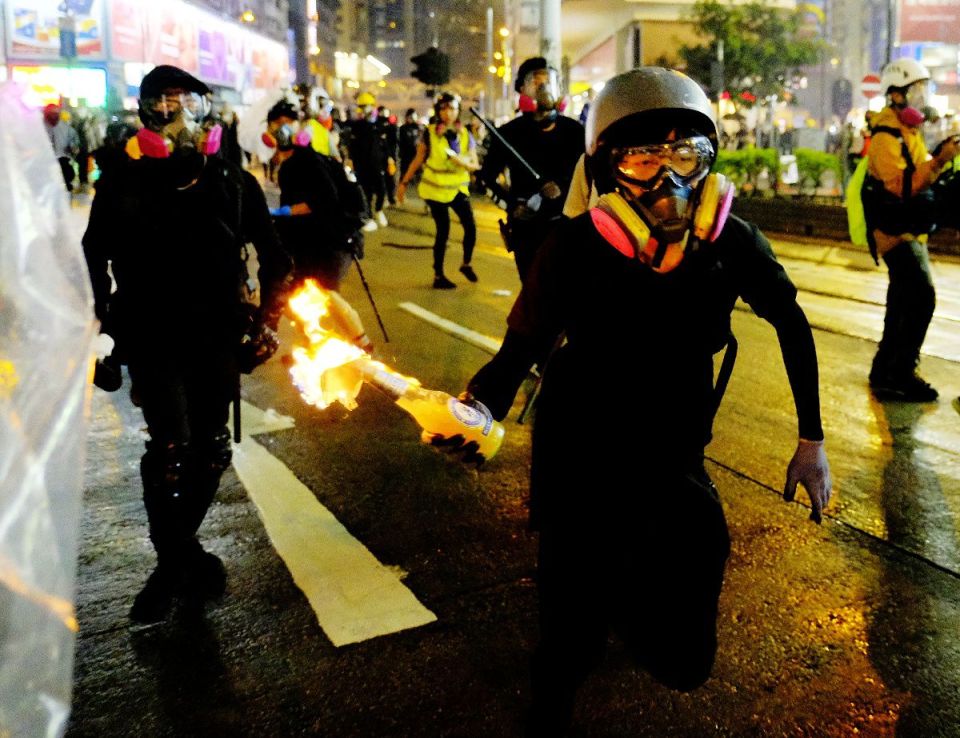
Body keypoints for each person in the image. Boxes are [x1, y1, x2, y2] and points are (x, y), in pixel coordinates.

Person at [455, 67, 833, 734]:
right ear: (606, 171)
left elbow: (792, 322)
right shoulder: (572, 249)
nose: (669, 181)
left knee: (685, 657)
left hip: (673, 453)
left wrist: (812, 441)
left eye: (685, 155)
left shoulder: (731, 243)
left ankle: (623, 606)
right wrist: (476, 407)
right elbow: (518, 353)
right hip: (580, 455)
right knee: (570, 634)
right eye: (643, 159)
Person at [82, 65, 293, 624]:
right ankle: (175, 563)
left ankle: (175, 560)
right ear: (145, 115)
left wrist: (267, 322)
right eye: (164, 104)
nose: (178, 118)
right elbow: (91, 257)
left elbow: (276, 258)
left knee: (211, 450)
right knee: (169, 452)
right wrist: (100, 327)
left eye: (189, 104)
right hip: (149, 335)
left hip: (216, 334)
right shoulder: (121, 184)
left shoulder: (231, 183)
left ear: (207, 114)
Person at [862, 58, 960, 402]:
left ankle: (884, 369)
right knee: (921, 298)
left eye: (924, 89)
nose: (922, 97)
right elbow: (902, 188)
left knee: (902, 301)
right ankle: (901, 372)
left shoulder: (907, 132)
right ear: (896, 95)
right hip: (895, 233)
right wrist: (939, 161)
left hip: (907, 232)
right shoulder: (886, 135)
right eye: (916, 90)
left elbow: (918, 175)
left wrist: (936, 159)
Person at [476, 57, 585, 282]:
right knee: (534, 295)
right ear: (522, 89)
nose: (544, 88)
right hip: (527, 230)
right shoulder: (508, 133)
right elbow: (486, 178)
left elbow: (590, 174)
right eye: (536, 82)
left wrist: (563, 187)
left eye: (550, 82)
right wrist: (511, 204)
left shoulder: (574, 131)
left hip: (568, 227)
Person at [264, 99, 364, 292]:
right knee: (305, 306)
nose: (281, 128)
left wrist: (283, 212)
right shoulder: (294, 161)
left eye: (287, 122)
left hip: (328, 246)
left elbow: (325, 200)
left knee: (328, 307)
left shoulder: (305, 161)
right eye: (276, 123)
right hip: (313, 246)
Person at [397, 92, 480, 289]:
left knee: (471, 227)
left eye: (452, 108)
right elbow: (418, 159)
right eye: (444, 108)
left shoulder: (465, 134)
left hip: (458, 189)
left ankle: (466, 263)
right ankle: (438, 275)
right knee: (443, 231)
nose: (448, 113)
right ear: (438, 111)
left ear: (458, 111)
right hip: (435, 190)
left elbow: (475, 163)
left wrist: (465, 163)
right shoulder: (430, 132)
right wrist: (404, 182)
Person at [343, 92, 388, 230]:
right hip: (362, 165)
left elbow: (384, 144)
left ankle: (378, 211)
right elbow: (351, 146)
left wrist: (388, 160)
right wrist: (350, 160)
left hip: (377, 164)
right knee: (366, 193)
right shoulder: (356, 126)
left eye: (367, 106)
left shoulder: (379, 124)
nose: (365, 109)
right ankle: (367, 217)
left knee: (381, 190)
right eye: (362, 107)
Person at [43, 102, 78, 192]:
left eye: (56, 113)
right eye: (51, 114)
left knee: (67, 176)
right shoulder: (41, 127)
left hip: (62, 158)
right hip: (45, 159)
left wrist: (73, 147)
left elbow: (74, 139)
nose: (54, 116)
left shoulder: (65, 127)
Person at [376, 105, 399, 206]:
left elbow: (394, 141)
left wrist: (391, 155)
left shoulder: (390, 126)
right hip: (379, 156)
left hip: (389, 156)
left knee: (390, 177)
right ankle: (385, 197)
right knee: (382, 178)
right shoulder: (376, 124)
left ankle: (391, 196)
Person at [397, 108, 423, 188]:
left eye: (413, 117)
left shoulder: (419, 128)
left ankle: (418, 185)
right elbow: (400, 142)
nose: (411, 119)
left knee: (418, 171)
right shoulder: (403, 129)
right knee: (405, 171)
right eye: (410, 117)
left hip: (417, 154)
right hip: (406, 155)